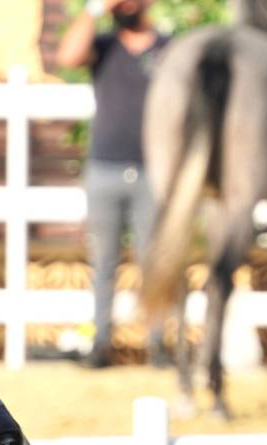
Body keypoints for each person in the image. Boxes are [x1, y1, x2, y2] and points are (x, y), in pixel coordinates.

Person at [56, 0, 170, 368]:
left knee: (154, 261)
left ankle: (158, 346)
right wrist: (94, 9)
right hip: (105, 168)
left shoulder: (167, 48)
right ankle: (100, 345)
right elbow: (68, 57)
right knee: (103, 263)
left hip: (153, 171)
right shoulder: (104, 45)